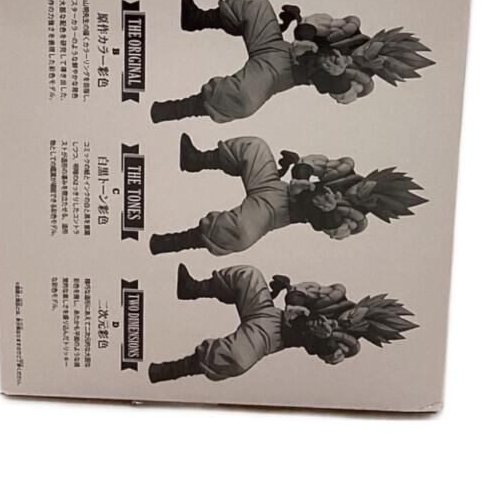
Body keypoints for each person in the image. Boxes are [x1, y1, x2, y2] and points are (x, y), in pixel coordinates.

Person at [148, 0, 434, 124]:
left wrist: (336, 77)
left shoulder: (360, 81)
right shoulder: (351, 32)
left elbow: (340, 94)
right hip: (277, 46)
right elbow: (315, 25)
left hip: (280, 75)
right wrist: (304, 34)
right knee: (257, 4)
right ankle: (198, 18)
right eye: (379, 47)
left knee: (243, 100)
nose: (371, 53)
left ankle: (174, 110)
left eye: (379, 59)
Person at [148, 133, 427, 255]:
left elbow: (333, 230)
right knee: (255, 147)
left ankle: (173, 242)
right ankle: (197, 160)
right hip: (275, 186)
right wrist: (300, 171)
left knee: (240, 233)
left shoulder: (356, 219)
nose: (361, 190)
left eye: (369, 197)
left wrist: (328, 213)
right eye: (369, 185)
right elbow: (312, 164)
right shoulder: (346, 170)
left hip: (276, 213)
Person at [148, 264, 418, 383]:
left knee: (237, 359)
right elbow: (306, 290)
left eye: (360, 321)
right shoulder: (337, 297)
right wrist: (294, 299)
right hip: (271, 312)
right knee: (249, 275)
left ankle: (172, 370)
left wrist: (323, 338)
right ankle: (193, 288)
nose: (352, 317)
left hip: (272, 336)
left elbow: (330, 355)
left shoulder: (348, 344)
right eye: (360, 311)